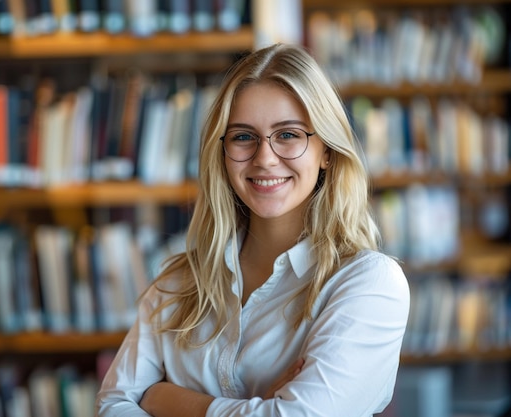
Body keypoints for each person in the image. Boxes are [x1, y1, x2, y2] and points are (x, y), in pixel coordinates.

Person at [96, 43, 410, 417]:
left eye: (289, 135)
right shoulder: (178, 282)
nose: (264, 157)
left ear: (326, 150)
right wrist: (255, 409)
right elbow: (112, 407)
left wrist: (166, 400)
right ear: (223, 152)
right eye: (244, 136)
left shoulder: (368, 283)